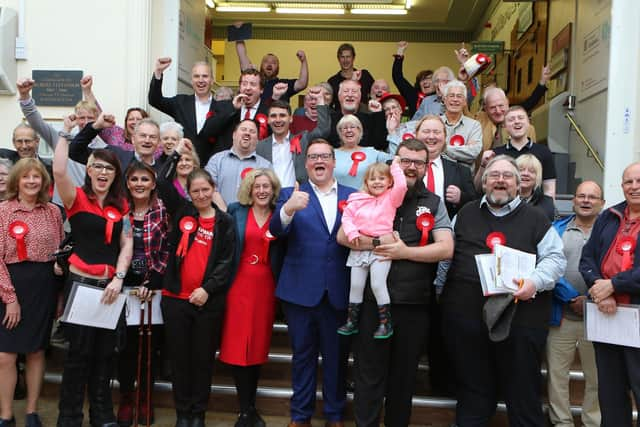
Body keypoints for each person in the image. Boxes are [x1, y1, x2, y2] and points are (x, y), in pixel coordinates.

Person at [441, 155, 565, 426]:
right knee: (473, 391)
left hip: (521, 321)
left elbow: (556, 260)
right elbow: (446, 258)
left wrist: (534, 281)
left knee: (522, 394)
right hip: (467, 320)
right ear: (483, 183)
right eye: (494, 176)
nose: (500, 180)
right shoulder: (465, 213)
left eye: (507, 176)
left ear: (519, 184)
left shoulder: (537, 218)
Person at [338, 138, 454, 426]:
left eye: (418, 162)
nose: (411, 167)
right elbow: (343, 236)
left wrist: (405, 252)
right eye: (405, 161)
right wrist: (380, 242)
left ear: (427, 167)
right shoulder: (371, 193)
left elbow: (446, 248)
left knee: (403, 381)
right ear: (395, 162)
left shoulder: (433, 203)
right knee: (368, 376)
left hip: (413, 305)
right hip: (369, 304)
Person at [269, 139, 356, 426]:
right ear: (306, 164)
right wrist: (288, 209)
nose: (319, 161)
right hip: (300, 293)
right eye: (313, 157)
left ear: (334, 162)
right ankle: (300, 415)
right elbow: (276, 231)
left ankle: (334, 414)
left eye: (325, 156)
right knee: (302, 358)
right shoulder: (290, 194)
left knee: (336, 359)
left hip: (338, 291)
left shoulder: (352, 195)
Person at [53, 133, 133, 427]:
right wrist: (64, 133)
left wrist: (119, 278)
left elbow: (126, 245)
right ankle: (69, 417)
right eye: (98, 167)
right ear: (89, 170)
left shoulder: (121, 205)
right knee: (78, 356)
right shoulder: (75, 197)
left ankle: (102, 415)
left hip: (109, 289)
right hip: (80, 285)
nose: (103, 173)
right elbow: (59, 170)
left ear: (115, 174)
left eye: (109, 168)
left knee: (105, 356)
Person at [156, 139, 235, 427]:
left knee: (202, 361)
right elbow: (161, 181)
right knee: (179, 360)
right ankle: (182, 414)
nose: (201, 195)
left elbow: (227, 262)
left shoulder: (226, 222)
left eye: (206, 189)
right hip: (175, 298)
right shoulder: (181, 211)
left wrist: (207, 289)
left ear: (213, 190)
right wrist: (176, 152)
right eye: (195, 190)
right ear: (188, 193)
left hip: (207, 302)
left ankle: (198, 413)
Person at [0, 158, 64, 427]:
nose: (31, 181)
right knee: (6, 355)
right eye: (26, 177)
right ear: (17, 180)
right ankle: (5, 414)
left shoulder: (53, 212)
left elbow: (60, 255)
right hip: (10, 285)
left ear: (43, 181)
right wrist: (10, 298)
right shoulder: (3, 211)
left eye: (36, 177)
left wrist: (59, 296)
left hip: (44, 285)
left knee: (37, 351)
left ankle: (32, 411)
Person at [219, 169, 284, 427]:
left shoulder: (280, 214)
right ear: (250, 188)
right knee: (237, 347)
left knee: (257, 346)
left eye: (267, 186)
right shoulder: (236, 210)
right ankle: (245, 410)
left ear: (273, 189)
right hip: (239, 282)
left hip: (266, 284)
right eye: (257, 186)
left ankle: (251, 407)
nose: (262, 191)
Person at [580, 162, 640, 426]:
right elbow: (587, 259)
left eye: (639, 181)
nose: (634, 187)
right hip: (607, 319)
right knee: (611, 394)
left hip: (637, 320)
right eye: (629, 182)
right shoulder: (608, 215)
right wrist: (600, 289)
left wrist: (614, 285)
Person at [115, 161, 169, 427]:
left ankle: (146, 399)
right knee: (126, 349)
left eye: (144, 180)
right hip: (124, 289)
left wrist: (154, 279)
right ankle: (126, 398)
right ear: (127, 183)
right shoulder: (120, 211)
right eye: (134, 179)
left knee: (149, 350)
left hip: (153, 290)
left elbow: (170, 248)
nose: (139, 184)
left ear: (153, 183)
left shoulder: (163, 211)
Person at [547, 181, 603, 427]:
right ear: (573, 200)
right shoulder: (557, 229)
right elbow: (548, 266)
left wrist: (589, 299)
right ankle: (562, 422)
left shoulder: (608, 232)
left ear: (601, 203)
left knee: (597, 378)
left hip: (599, 316)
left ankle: (593, 421)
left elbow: (614, 269)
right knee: (557, 376)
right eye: (581, 195)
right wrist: (570, 297)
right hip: (562, 315)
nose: (586, 200)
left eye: (592, 197)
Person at [338, 158, 407, 339]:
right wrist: (352, 232)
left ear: (389, 182)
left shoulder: (391, 199)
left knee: (377, 284)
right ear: (366, 182)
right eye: (373, 179)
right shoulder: (357, 199)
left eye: (382, 178)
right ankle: (352, 321)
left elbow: (401, 187)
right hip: (359, 247)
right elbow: (347, 218)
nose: (377, 182)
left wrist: (396, 166)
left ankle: (385, 323)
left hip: (381, 249)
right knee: (355, 285)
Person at [148, 58, 230, 163]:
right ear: (191, 80)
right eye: (196, 76)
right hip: (184, 165)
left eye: (205, 76)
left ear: (212, 80)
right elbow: (155, 100)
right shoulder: (180, 102)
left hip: (212, 168)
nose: (200, 80)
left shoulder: (223, 108)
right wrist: (158, 72)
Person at [476, 105, 557, 198]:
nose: (517, 122)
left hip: (534, 207)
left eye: (521, 118)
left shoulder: (544, 152)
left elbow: (549, 189)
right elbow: (479, 189)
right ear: (505, 126)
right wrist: (483, 166)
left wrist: (547, 209)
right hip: (503, 205)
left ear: (528, 122)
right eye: (511, 119)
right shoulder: (496, 153)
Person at [256, 88, 330, 187]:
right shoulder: (259, 146)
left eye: (282, 115)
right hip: (270, 198)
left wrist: (320, 100)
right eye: (273, 116)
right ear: (268, 120)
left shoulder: (302, 140)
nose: (278, 120)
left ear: (291, 119)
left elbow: (323, 130)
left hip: (297, 196)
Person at [204, 120, 271, 205]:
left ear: (257, 140)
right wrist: (224, 213)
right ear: (234, 135)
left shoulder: (265, 166)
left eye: (252, 131)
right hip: (221, 215)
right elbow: (207, 187)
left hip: (252, 217)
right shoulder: (217, 160)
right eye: (243, 129)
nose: (247, 133)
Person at [69, 115, 164, 173]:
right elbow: (75, 152)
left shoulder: (163, 169)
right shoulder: (115, 156)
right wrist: (95, 127)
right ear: (133, 139)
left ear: (159, 142)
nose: (147, 140)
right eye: (143, 136)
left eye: (152, 137)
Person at [234, 34, 308, 102]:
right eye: (266, 61)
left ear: (278, 67)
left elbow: (302, 84)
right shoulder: (254, 81)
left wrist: (303, 61)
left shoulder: (283, 85)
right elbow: (242, 56)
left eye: (273, 63)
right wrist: (239, 33)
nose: (269, 64)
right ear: (261, 65)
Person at [333, 115, 392, 189]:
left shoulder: (371, 152)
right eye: (345, 128)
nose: (349, 130)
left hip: (366, 198)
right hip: (338, 199)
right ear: (340, 133)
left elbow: (395, 160)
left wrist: (392, 133)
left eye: (352, 127)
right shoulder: (331, 154)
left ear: (359, 130)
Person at [327, 79, 388, 151]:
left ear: (360, 96)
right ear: (339, 96)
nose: (350, 95)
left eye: (354, 91)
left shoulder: (370, 119)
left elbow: (381, 144)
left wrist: (377, 114)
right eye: (346, 91)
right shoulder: (329, 119)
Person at [439, 80, 482, 169]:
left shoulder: (474, 125)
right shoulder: (434, 123)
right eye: (451, 96)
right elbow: (429, 150)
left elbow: (473, 153)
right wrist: (463, 151)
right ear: (444, 99)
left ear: (465, 102)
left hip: (464, 179)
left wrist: (443, 148)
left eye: (459, 96)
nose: (455, 99)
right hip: (439, 175)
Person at [392, 41, 434, 117]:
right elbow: (398, 78)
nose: (425, 82)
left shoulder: (441, 97)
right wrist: (400, 52)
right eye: (422, 80)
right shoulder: (413, 96)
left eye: (429, 79)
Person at [327, 43, 375, 110]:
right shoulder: (332, 81)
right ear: (338, 59)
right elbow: (328, 106)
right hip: (341, 119)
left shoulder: (364, 75)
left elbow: (375, 95)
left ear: (353, 58)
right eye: (342, 57)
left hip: (364, 117)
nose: (345, 60)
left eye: (348, 57)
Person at [516, 154, 555, 221]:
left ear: (537, 177)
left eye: (532, 171)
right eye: (521, 170)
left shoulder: (547, 203)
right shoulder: (504, 199)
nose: (525, 174)